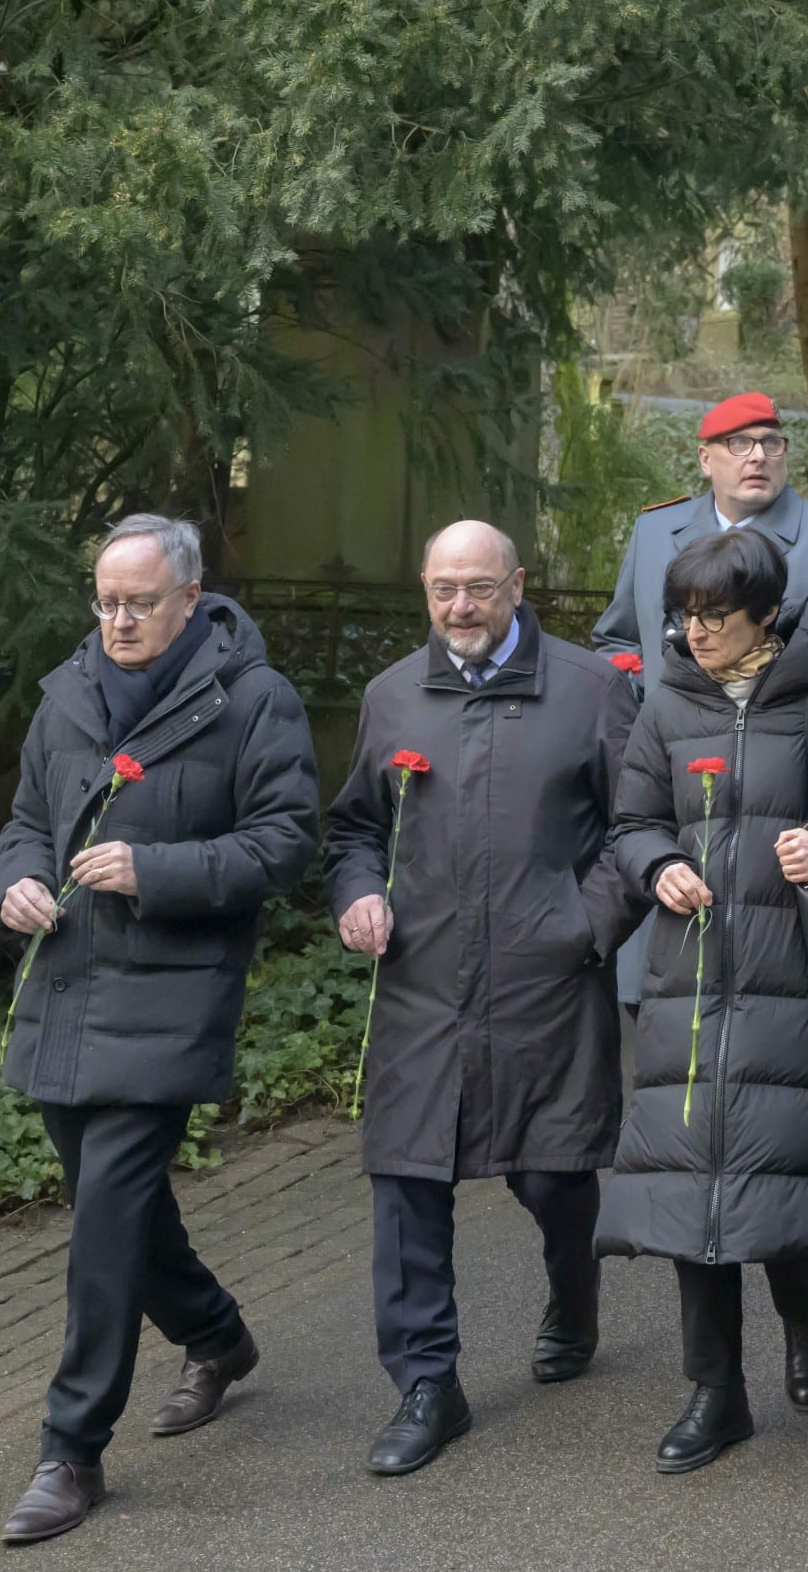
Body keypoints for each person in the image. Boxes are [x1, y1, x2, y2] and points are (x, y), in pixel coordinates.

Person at [0, 515, 319, 1546]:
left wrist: (157, 870)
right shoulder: (65, 694)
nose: (118, 620)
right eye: (105, 600)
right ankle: (218, 1339)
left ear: (189, 599)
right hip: (66, 982)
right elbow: (24, 821)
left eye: (138, 602)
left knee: (103, 1224)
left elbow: (285, 843)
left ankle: (71, 1451)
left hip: (173, 991)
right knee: (119, 1210)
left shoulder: (251, 699)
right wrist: (17, 882)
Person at [598, 531, 808, 1474]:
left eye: (717, 617)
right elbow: (630, 824)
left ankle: (803, 1312)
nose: (696, 633)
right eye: (686, 615)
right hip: (688, 980)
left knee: (773, 1173)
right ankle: (716, 1392)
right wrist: (657, 865)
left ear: (766, 615)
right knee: (690, 1180)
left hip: (792, 977)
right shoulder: (663, 706)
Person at [325, 521, 640, 1478]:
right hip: (421, 984)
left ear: (517, 585)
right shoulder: (391, 698)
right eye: (443, 589)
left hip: (546, 982)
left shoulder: (591, 690)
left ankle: (573, 1291)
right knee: (407, 1176)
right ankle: (428, 1383)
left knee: (551, 1171)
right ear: (425, 588)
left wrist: (582, 927)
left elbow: (638, 827)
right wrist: (358, 895)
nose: (460, 607)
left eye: (480, 588)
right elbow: (350, 832)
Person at [594, 391, 808, 713]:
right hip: (664, 751)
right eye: (740, 443)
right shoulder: (654, 531)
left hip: (784, 753)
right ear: (705, 459)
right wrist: (644, 714)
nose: (759, 456)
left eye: (772, 443)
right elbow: (618, 643)